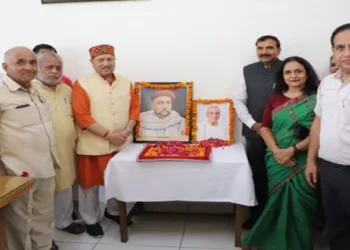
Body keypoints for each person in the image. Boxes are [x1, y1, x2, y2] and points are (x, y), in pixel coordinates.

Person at [243, 56, 320, 250]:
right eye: (288, 72)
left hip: (305, 159)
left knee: (302, 204)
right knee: (275, 203)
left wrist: (293, 150)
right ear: (282, 76)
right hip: (276, 160)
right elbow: (266, 128)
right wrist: (277, 151)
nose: (293, 75)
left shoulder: (318, 96)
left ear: (306, 73)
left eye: (298, 71)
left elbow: (321, 130)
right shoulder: (275, 98)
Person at [72, 44, 140, 237]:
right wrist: (109, 135)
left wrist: (126, 131)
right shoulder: (82, 83)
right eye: (101, 60)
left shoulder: (126, 81)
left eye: (110, 59)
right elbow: (81, 115)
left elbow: (134, 109)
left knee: (118, 180)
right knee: (89, 184)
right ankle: (90, 219)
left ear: (115, 61)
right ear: (92, 62)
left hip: (122, 142)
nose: (106, 63)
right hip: (92, 143)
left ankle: (114, 211)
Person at [0, 46, 59, 250]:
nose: (29, 67)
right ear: (5, 66)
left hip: (45, 166)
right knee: (20, 225)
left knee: (43, 218)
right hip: (16, 171)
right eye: (21, 62)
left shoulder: (36, 88)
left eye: (33, 62)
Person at [306, 23, 350, 250]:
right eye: (340, 47)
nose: (347, 53)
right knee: (336, 229)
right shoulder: (326, 83)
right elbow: (318, 122)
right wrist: (311, 160)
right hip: (329, 169)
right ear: (333, 51)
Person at [32, 52, 85, 240]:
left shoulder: (67, 90)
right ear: (37, 67)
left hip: (65, 149)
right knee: (41, 196)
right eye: (49, 67)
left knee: (65, 186)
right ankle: (43, 238)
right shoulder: (29, 89)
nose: (54, 71)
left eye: (58, 67)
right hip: (39, 153)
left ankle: (63, 222)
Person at [233, 35, 283, 230]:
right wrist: (253, 124)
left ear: (278, 50)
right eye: (260, 48)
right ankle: (258, 217)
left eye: (269, 48)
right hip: (254, 134)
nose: (264, 52)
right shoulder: (247, 71)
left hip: (282, 134)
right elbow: (238, 100)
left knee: (280, 175)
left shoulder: (289, 68)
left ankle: (281, 218)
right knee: (257, 175)